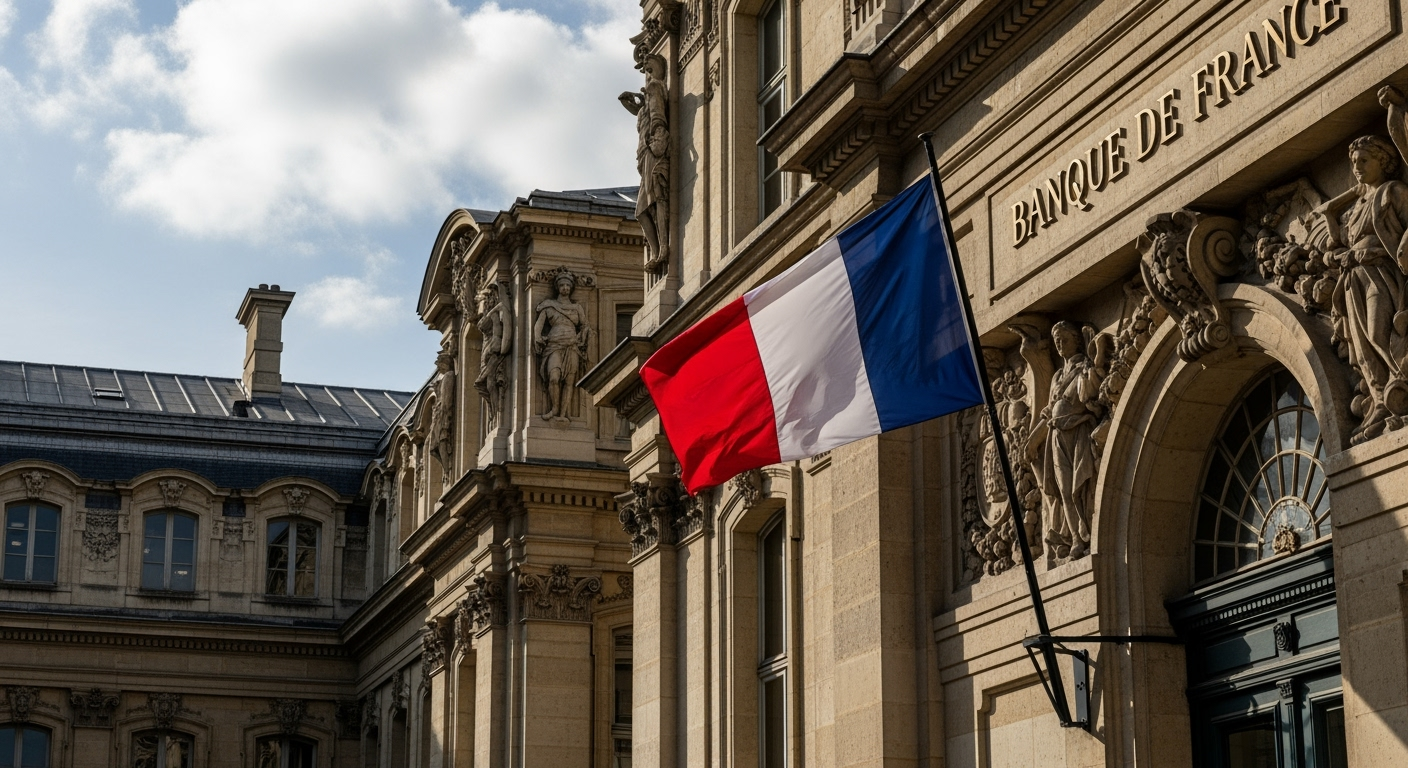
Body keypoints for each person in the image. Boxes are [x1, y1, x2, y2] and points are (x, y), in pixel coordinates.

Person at [1316, 130, 1408, 443]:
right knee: (1362, 346)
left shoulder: (1392, 192)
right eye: (1353, 161)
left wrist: (1378, 250)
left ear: (1383, 162)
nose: (1356, 167)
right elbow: (1342, 240)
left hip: (1380, 274)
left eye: (1364, 160)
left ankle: (1402, 385)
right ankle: (1381, 399)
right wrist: (1332, 215)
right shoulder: (1357, 206)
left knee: (1378, 332)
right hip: (1353, 280)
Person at [533, 273, 590, 421]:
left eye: (568, 286)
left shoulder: (577, 308)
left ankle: (564, 413)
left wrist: (582, 336)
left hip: (571, 345)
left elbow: (584, 326)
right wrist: (538, 337)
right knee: (554, 377)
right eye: (562, 285)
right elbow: (539, 324)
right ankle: (554, 408)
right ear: (557, 287)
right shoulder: (549, 305)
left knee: (569, 381)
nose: (565, 288)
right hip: (554, 344)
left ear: (571, 288)